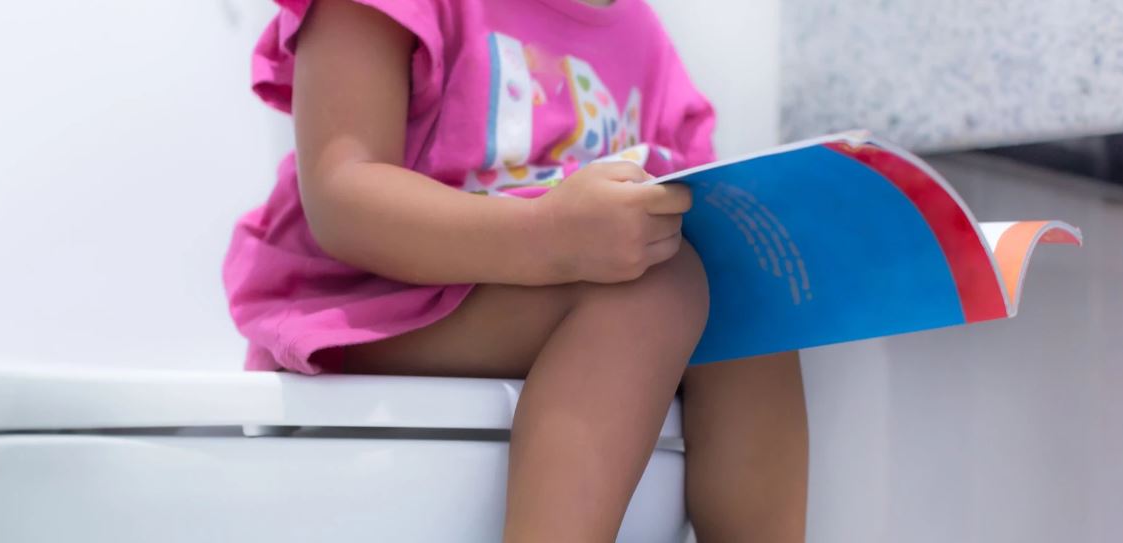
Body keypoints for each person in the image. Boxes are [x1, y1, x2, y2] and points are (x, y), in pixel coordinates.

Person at [223, 0, 808, 540]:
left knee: (748, 303)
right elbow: (342, 198)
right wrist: (548, 238)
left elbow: (705, 217)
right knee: (653, 292)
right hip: (370, 302)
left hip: (540, 302)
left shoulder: (641, 35)